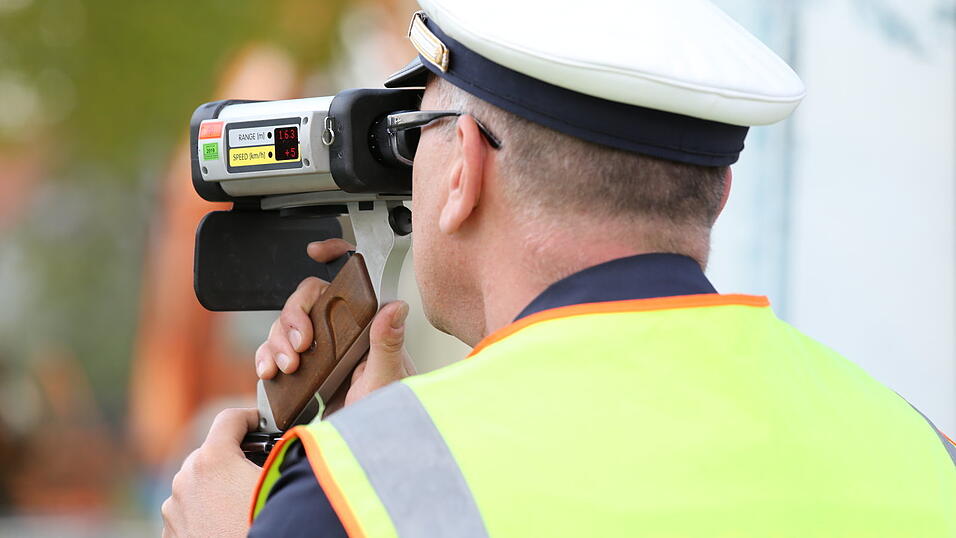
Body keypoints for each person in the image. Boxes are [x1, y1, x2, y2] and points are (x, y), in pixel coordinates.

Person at [161, 0, 956, 536]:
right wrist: (385, 438)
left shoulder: (358, 500)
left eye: (421, 131)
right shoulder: (923, 453)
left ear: (464, 167)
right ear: (718, 194)